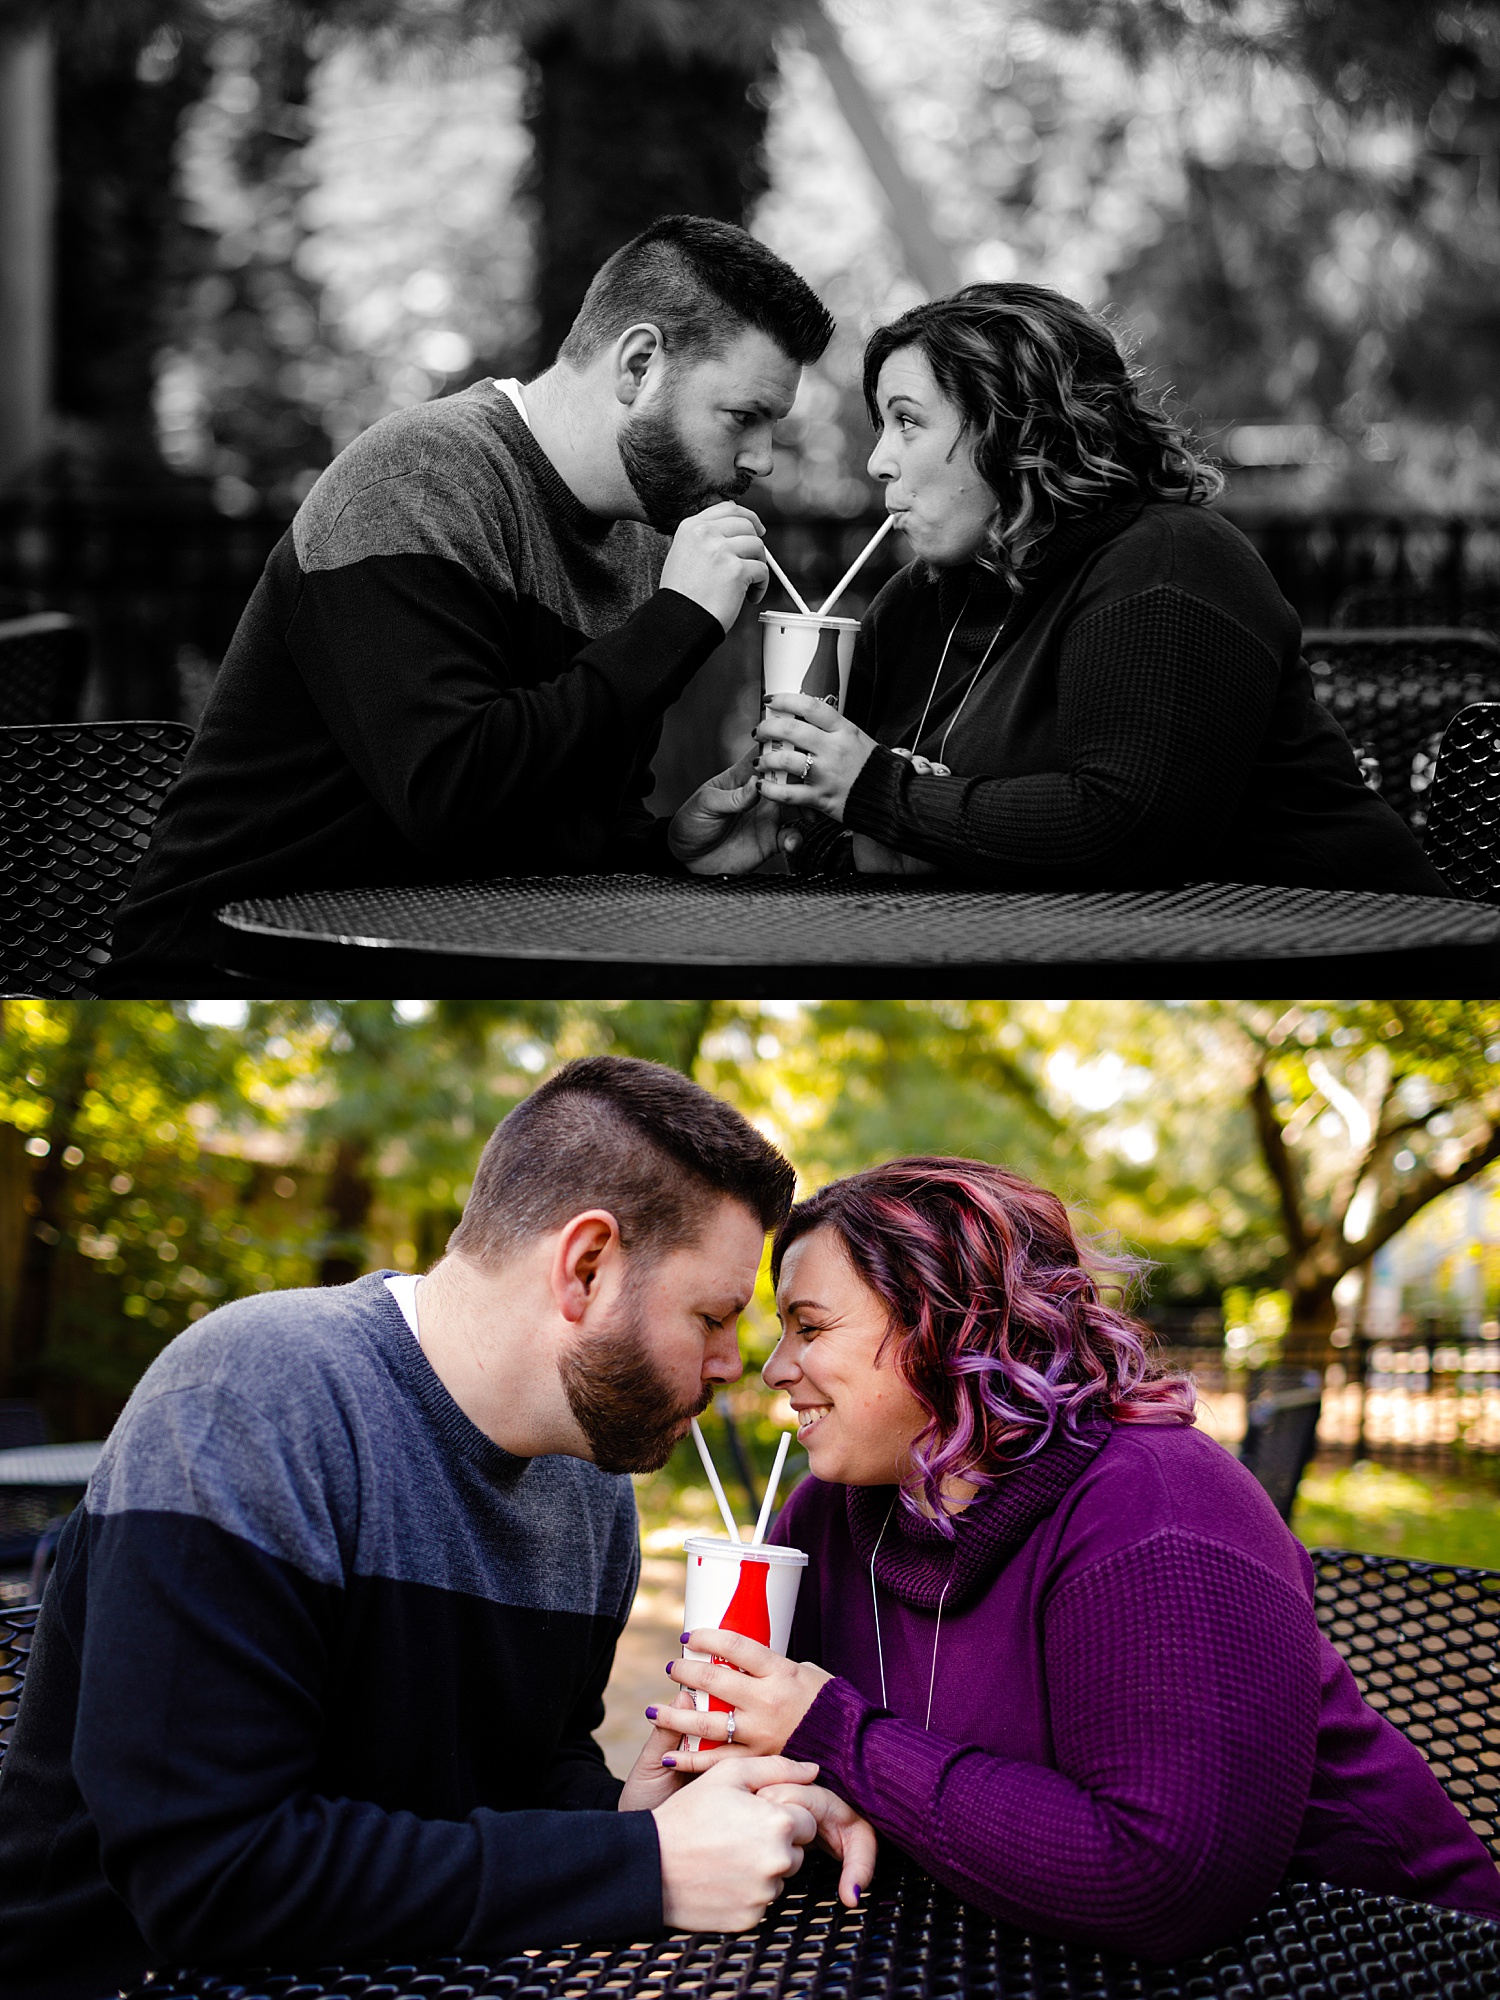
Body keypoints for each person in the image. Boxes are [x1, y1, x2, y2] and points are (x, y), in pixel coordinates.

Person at [0, 1058, 875, 2000]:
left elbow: (529, 1771)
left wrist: (633, 1811)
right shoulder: (251, 1402)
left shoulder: (589, 1489)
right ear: (587, 1267)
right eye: (713, 1316)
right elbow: (209, 1882)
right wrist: (641, 1864)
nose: (732, 1365)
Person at [653, 1157, 1500, 1962]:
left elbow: (1164, 1883)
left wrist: (837, 1737)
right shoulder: (836, 1513)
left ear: (949, 1322)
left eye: (808, 1327)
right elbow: (781, 1763)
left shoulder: (1159, 1510)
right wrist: (796, 1790)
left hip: (1373, 1953)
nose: (772, 1369)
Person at [103, 217, 834, 994]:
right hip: (232, 966)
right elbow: (449, 796)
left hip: (450, 953)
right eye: (742, 417)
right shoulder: (414, 483)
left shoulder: (643, 544)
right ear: (640, 364)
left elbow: (552, 817)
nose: (760, 458)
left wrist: (664, 848)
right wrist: (677, 621)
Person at [667, 284, 1451, 895]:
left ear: (1020, 426)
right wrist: (791, 834)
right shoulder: (914, 606)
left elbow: (1128, 826)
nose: (878, 462)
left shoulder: (1170, 562)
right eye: (879, 427)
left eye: (907, 422)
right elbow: (886, 833)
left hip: (1342, 951)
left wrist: (879, 790)